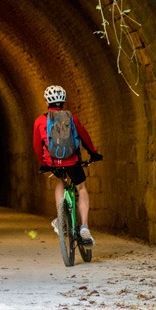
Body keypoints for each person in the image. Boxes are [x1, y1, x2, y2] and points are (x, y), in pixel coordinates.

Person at [32, 85, 103, 243]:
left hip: (53, 162)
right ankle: (84, 226)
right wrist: (93, 153)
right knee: (81, 188)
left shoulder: (40, 121)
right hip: (72, 161)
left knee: (61, 182)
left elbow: (37, 146)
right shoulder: (72, 118)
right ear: (63, 101)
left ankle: (60, 217)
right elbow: (84, 138)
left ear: (46, 101)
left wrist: (44, 163)